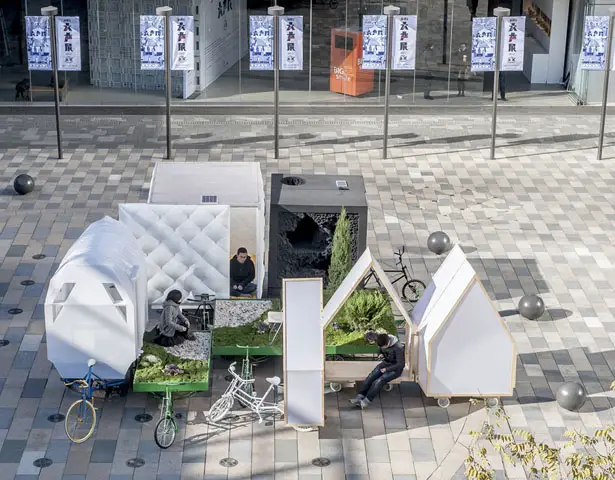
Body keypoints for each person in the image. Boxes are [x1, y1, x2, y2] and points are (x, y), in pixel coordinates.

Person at [350, 333, 405, 409]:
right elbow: (379, 347)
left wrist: (387, 369)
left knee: (379, 381)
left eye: (383, 347)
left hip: (395, 369)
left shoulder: (398, 347)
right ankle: (360, 396)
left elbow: (401, 364)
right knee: (371, 376)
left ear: (388, 343)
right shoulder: (382, 339)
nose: (382, 348)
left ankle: (366, 401)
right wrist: (380, 353)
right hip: (385, 364)